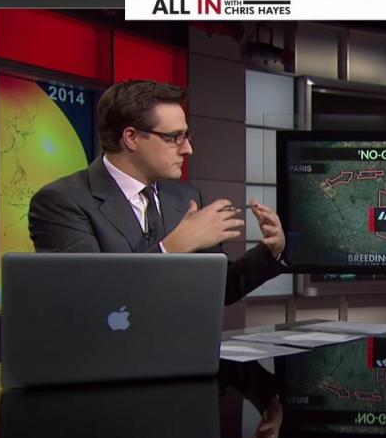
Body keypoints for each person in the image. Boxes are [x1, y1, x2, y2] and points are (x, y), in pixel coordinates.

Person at [28, 80, 287, 304]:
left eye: (186, 136)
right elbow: (88, 295)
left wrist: (270, 250)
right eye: (174, 137)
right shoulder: (61, 202)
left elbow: (219, 289)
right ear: (131, 138)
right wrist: (171, 248)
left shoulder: (185, 198)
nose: (187, 149)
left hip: (182, 344)